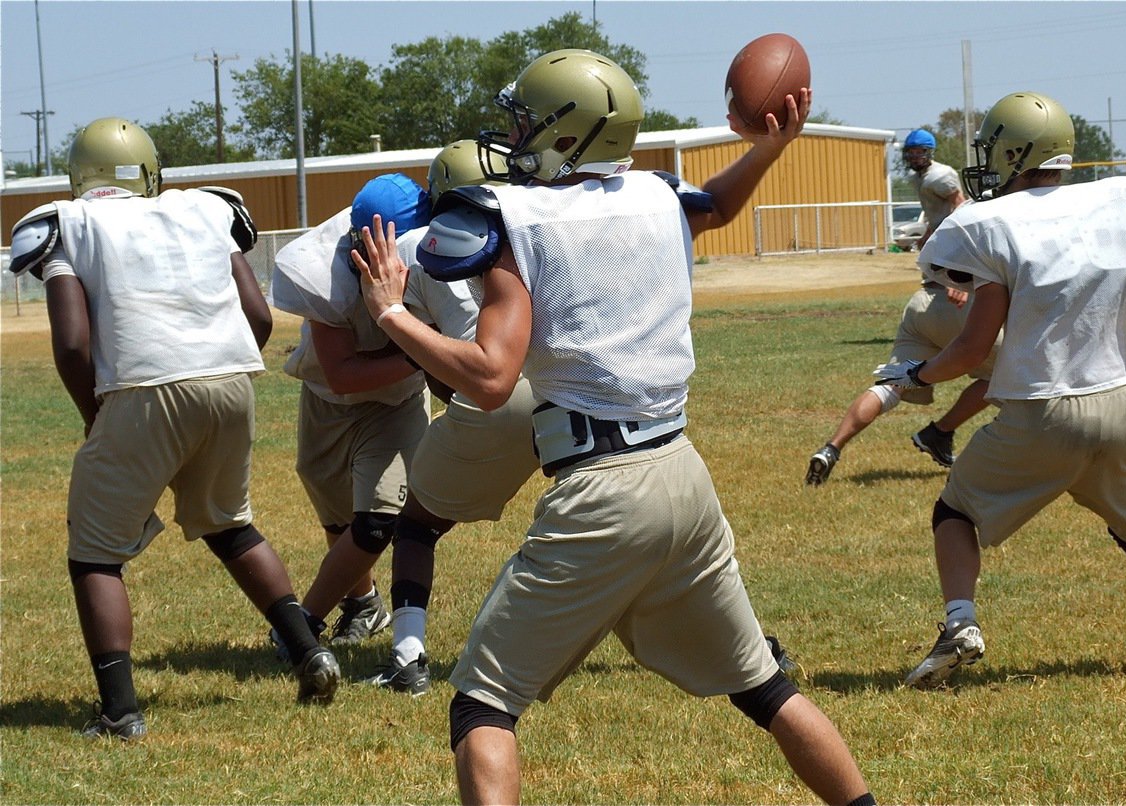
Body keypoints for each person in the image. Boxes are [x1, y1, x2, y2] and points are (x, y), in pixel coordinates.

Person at [354, 49, 875, 805]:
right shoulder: (656, 195)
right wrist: (771, 147)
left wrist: (391, 313)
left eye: (527, 120)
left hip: (601, 488)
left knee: (482, 704)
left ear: (568, 134)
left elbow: (492, 379)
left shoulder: (511, 215)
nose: (515, 133)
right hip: (683, 475)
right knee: (762, 685)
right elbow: (719, 207)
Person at [8, 118, 340, 740]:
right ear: (149, 171)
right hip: (231, 377)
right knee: (230, 522)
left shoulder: (67, 222)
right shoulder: (203, 209)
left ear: (80, 176)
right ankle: (308, 649)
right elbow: (258, 317)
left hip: (141, 386)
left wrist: (96, 413)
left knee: (96, 553)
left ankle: (119, 711)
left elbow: (73, 343)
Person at [872, 91, 1126, 688]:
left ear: (1013, 151)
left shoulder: (992, 224)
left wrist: (915, 376)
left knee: (953, 510)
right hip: (1119, 403)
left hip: (1043, 408)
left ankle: (960, 624)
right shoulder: (1120, 200)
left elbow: (973, 349)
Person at [358, 141, 543, 696]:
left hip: (496, 391)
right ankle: (748, 644)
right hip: (572, 388)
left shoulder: (417, 245)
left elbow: (445, 374)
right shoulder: (543, 227)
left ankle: (408, 659)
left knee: (416, 526)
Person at [268, 173, 434, 650]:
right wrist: (425, 350)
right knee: (339, 521)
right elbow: (342, 373)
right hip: (328, 398)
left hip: (397, 402)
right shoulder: (326, 269)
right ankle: (362, 603)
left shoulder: (434, 254)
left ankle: (302, 625)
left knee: (376, 521)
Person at [805, 128, 989, 486]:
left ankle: (832, 447)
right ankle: (939, 432)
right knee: (999, 376)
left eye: (920, 151)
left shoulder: (939, 176)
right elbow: (963, 219)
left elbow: (958, 213)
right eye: (912, 151)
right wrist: (964, 276)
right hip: (949, 300)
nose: (915, 156)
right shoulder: (935, 179)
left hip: (921, 304)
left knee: (891, 384)